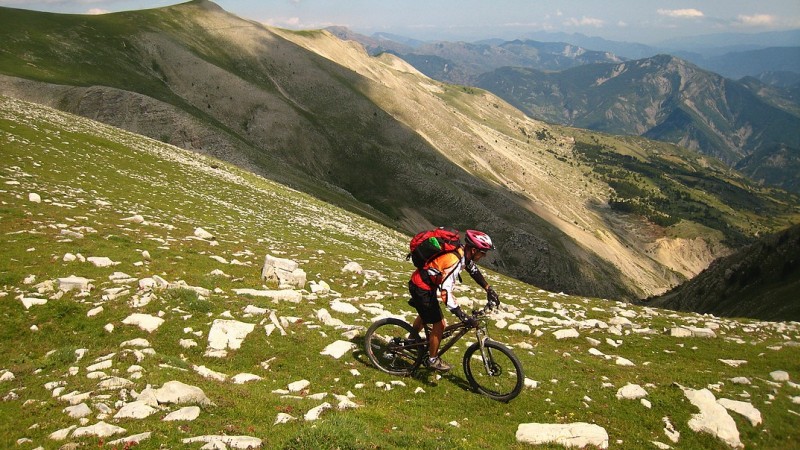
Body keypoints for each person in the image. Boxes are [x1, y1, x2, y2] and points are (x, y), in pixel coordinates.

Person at [408, 229, 500, 372]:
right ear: (474, 250)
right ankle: (432, 359)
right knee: (440, 325)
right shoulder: (454, 260)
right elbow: (445, 291)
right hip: (421, 287)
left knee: (426, 315)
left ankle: (411, 340)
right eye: (483, 252)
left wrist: (488, 288)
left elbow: (473, 270)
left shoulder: (462, 253)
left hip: (424, 284)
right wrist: (461, 315)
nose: (483, 255)